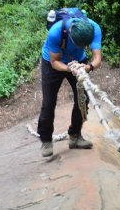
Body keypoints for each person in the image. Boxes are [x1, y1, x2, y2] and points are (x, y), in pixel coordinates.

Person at [37, 13, 103, 157]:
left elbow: (97, 58)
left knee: (83, 98)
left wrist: (88, 67)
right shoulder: (55, 32)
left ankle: (75, 136)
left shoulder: (94, 28)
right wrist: (70, 68)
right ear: (71, 34)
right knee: (49, 102)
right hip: (52, 62)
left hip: (79, 61)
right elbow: (55, 62)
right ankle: (46, 140)